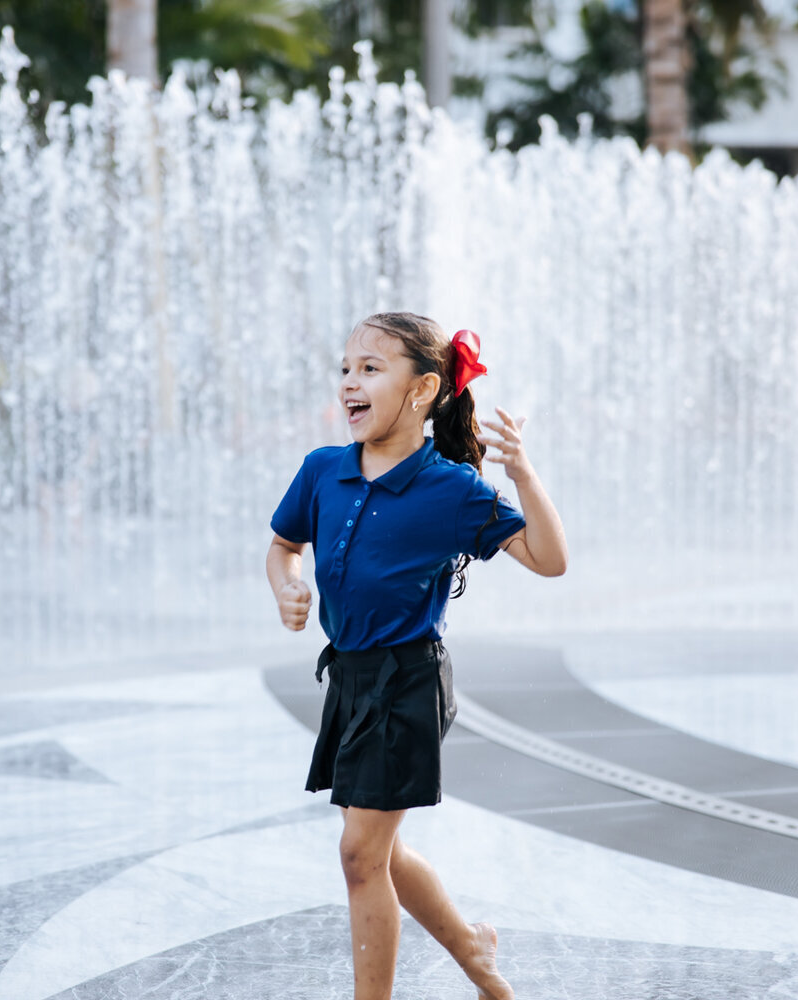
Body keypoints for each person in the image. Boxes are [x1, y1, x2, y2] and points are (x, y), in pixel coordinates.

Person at [266, 312, 568, 1000]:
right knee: (383, 852)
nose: (351, 381)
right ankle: (472, 948)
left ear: (424, 390)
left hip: (407, 681)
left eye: (371, 368)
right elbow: (282, 545)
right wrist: (287, 583)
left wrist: (523, 474)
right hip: (348, 678)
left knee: (359, 854)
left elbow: (550, 560)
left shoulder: (451, 489)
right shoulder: (322, 471)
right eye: (346, 368)